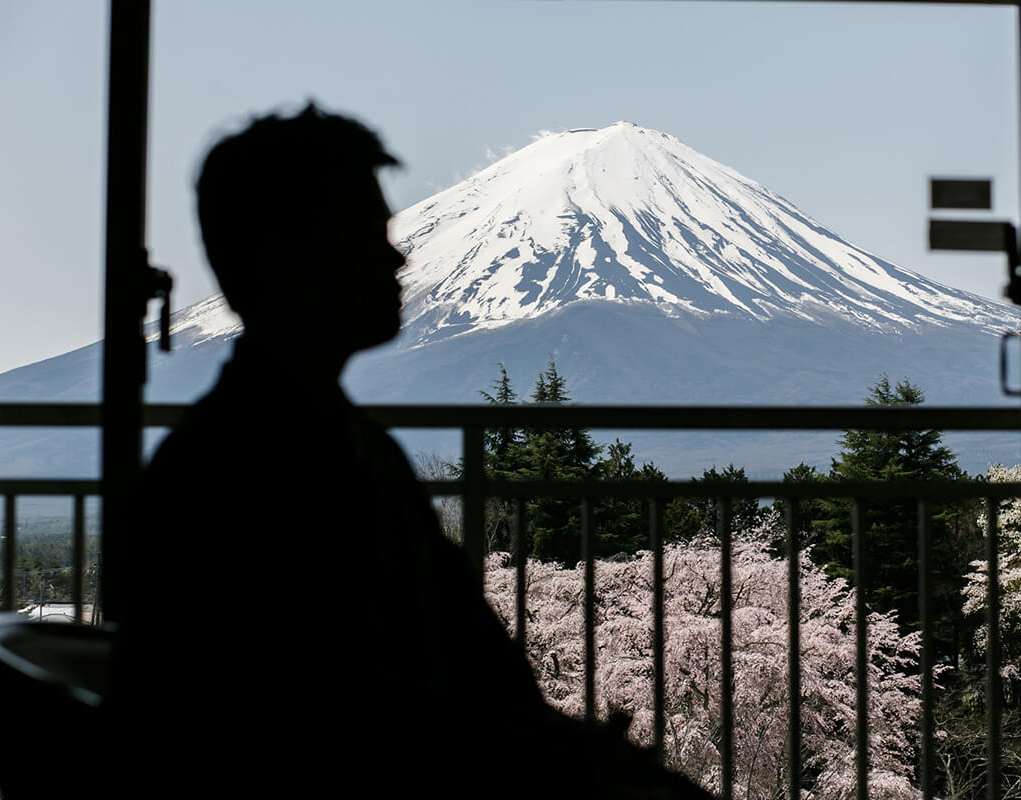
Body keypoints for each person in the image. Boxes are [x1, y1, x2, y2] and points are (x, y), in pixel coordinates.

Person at [120, 104, 710, 799]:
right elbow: (357, 709)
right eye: (366, 231)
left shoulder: (285, 447)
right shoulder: (258, 472)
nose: (397, 256)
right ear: (283, 254)